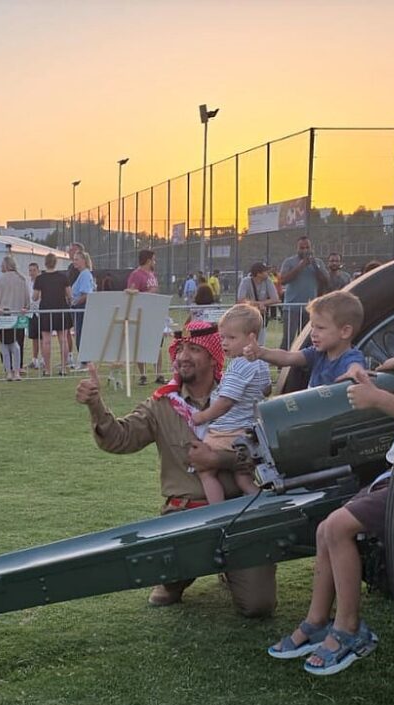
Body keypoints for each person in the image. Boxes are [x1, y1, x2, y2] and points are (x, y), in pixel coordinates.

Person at [267, 279, 394, 675]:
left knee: (340, 528)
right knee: (327, 528)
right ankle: (315, 622)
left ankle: (350, 629)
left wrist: (379, 399)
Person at [75, 319, 277, 616]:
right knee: (165, 585)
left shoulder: (239, 394)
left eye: (194, 349)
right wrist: (95, 405)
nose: (183, 356)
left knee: (259, 606)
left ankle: (230, 564)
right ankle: (174, 580)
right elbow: (120, 439)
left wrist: (218, 460)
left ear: (213, 356)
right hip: (185, 511)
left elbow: (265, 452)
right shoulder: (162, 403)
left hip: (238, 510)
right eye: (180, 349)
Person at [189, 305, 271, 505]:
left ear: (251, 338)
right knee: (243, 477)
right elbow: (267, 389)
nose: (225, 343)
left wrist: (202, 416)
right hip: (249, 430)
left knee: (205, 469)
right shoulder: (261, 362)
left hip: (227, 431)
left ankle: (217, 511)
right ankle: (263, 504)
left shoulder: (239, 365)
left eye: (231, 338)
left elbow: (226, 402)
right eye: (222, 337)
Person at [245, 290, 365, 387]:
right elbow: (288, 357)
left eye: (320, 328)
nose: (313, 333)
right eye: (312, 327)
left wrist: (356, 372)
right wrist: (261, 352)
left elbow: (355, 366)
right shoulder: (317, 354)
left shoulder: (351, 357)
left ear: (345, 332)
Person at [278, 235, 330, 349]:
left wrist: (315, 266)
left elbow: (326, 280)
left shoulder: (318, 262)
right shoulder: (289, 262)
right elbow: (283, 280)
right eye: (302, 248)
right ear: (297, 248)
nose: (305, 250)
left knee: (307, 340)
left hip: (310, 308)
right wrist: (301, 265)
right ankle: (281, 365)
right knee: (288, 338)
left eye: (307, 247)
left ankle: (302, 365)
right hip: (292, 307)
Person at [0, 255, 30, 381]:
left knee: (4, 345)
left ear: (5, 265)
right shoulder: (22, 279)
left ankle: (8, 370)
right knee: (18, 344)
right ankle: (18, 368)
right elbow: (27, 301)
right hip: (18, 316)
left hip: (3, 317)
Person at [126, 249, 163, 385]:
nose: (155, 262)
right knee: (141, 345)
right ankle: (143, 375)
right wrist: (148, 293)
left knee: (157, 345)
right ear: (148, 260)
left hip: (154, 314)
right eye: (153, 259)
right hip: (141, 315)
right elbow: (131, 292)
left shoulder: (152, 274)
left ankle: (159, 374)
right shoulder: (136, 275)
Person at [32, 252, 73, 376]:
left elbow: (34, 297)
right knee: (63, 340)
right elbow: (69, 295)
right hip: (61, 309)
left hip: (46, 310)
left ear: (45, 263)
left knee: (46, 341)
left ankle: (48, 369)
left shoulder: (40, 278)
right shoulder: (63, 277)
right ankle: (64, 368)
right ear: (56, 263)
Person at [236, 262, 281, 346]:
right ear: (258, 274)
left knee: (260, 342)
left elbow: (276, 299)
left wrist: (262, 303)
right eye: (265, 271)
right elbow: (241, 300)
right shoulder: (246, 281)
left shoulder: (268, 281)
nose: (268, 272)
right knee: (247, 341)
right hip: (247, 316)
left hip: (261, 316)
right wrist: (258, 304)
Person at [70, 248, 95, 365]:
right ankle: (84, 360)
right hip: (81, 308)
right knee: (80, 333)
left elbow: (86, 294)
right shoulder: (83, 274)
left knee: (81, 334)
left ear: (83, 261)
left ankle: (85, 361)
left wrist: (74, 302)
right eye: (73, 259)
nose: (74, 261)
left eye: (76, 259)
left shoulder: (85, 274)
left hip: (82, 308)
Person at [26, 262, 43, 370]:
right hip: (31, 313)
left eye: (34, 270)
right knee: (34, 337)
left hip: (41, 312)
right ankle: (34, 359)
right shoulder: (28, 284)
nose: (32, 272)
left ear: (38, 270)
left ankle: (43, 359)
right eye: (30, 270)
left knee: (42, 337)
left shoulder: (42, 282)